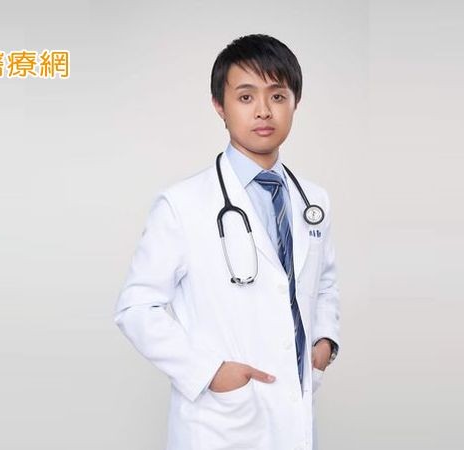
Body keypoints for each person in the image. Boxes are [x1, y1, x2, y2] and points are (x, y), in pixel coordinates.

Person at [115, 33, 341, 450]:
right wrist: (210, 372)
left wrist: (325, 343)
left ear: (295, 103)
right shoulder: (182, 204)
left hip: (294, 411)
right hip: (223, 421)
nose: (263, 111)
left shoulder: (314, 201)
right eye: (245, 97)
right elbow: (136, 307)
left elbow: (323, 283)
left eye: (277, 96)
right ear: (219, 105)